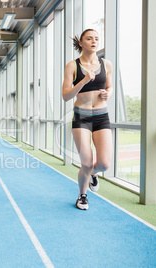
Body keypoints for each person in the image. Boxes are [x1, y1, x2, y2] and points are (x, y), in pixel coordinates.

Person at [62, 29, 113, 210]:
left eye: (97, 39)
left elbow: (110, 85)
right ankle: (82, 196)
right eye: (89, 38)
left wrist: (109, 93)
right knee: (85, 162)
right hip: (81, 116)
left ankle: (92, 174)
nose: (94, 41)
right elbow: (66, 96)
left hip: (101, 116)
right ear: (81, 43)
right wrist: (83, 81)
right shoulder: (72, 66)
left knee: (104, 164)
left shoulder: (106, 64)